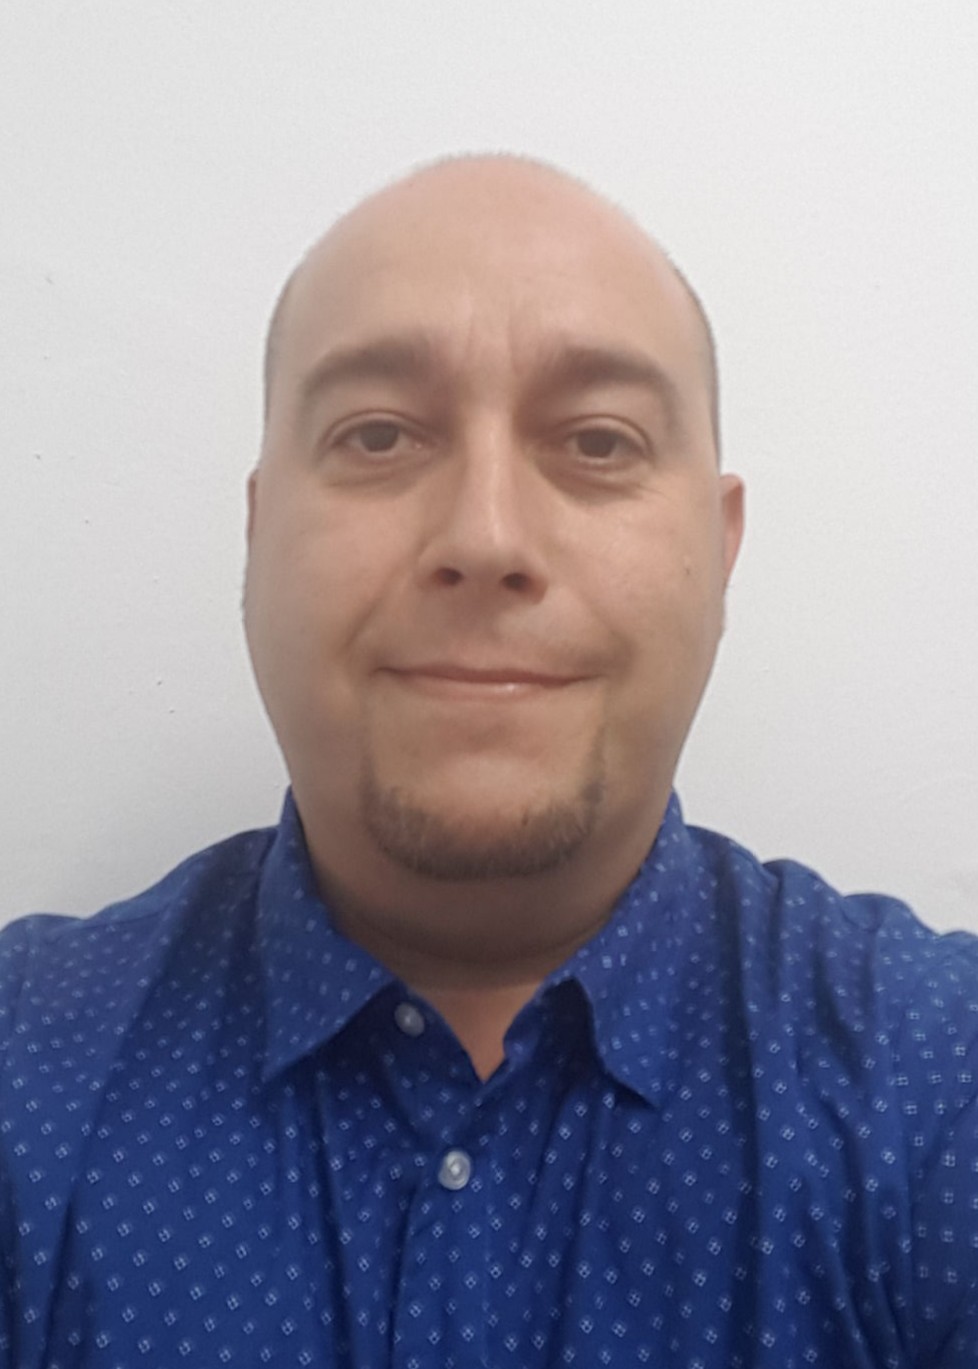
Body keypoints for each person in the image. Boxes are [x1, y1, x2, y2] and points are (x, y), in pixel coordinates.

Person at [1, 155, 975, 1369]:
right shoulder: (23, 1073)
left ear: (721, 547)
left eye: (600, 441)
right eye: (377, 434)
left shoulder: (941, 1079)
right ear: (258, 531)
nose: (485, 534)